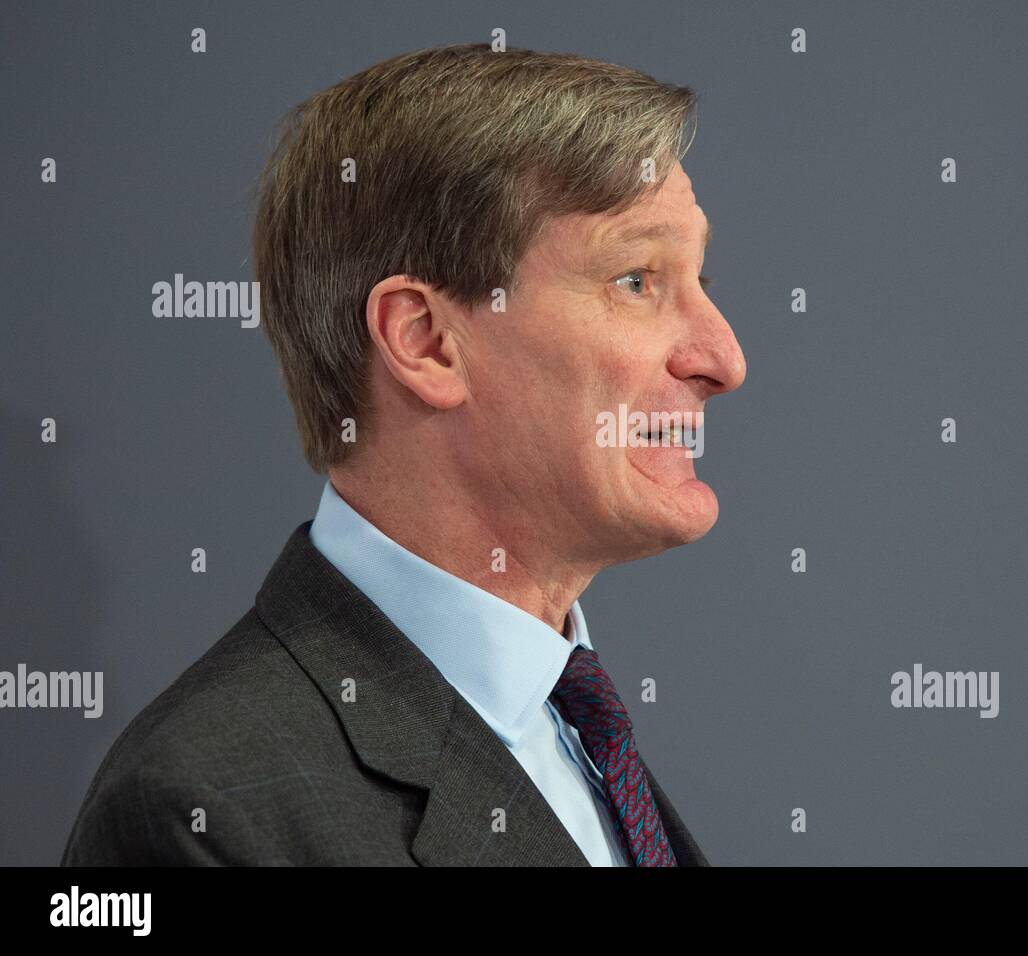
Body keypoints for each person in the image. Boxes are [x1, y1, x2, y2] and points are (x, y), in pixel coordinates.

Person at [62, 41, 745, 867]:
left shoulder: (574, 732)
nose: (723, 359)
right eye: (637, 280)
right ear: (426, 343)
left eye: (702, 279)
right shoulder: (200, 807)